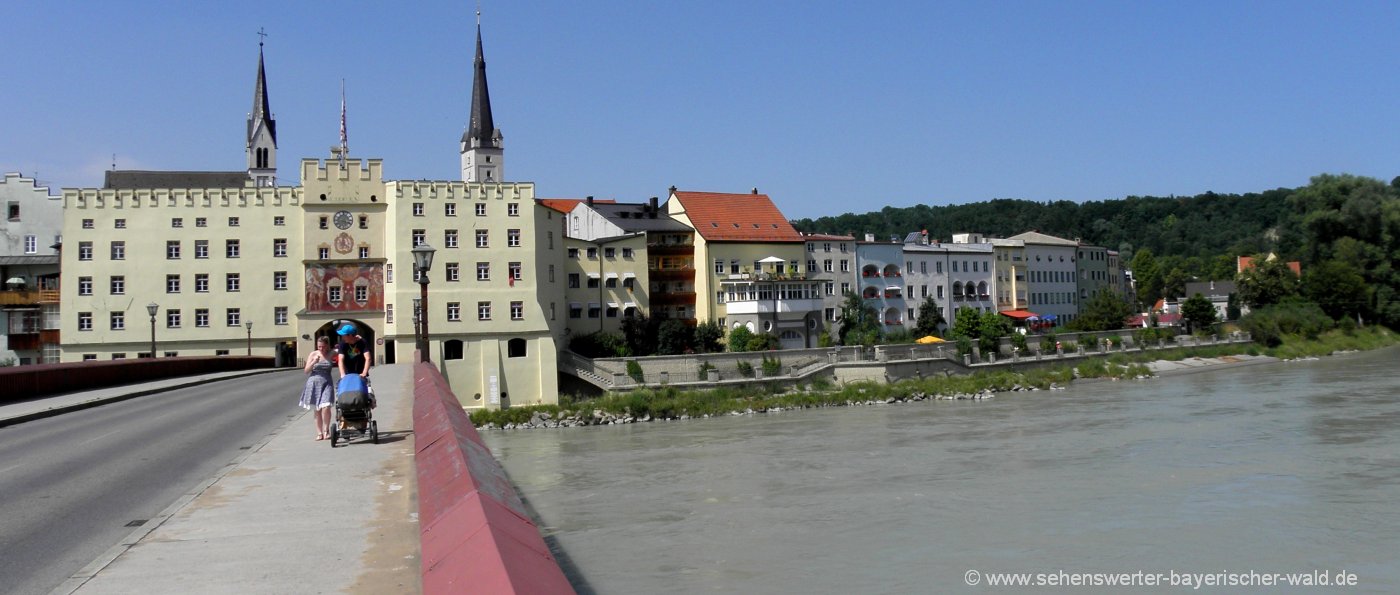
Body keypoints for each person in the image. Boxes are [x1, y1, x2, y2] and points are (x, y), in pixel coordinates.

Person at [299, 336, 335, 440]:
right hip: (313, 382)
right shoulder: (313, 354)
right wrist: (313, 362)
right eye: (319, 346)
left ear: (327, 345)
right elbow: (306, 371)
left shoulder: (331, 353)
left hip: (327, 382)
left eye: (323, 346)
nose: (321, 349)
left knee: (326, 407)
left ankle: (326, 430)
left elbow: (343, 348)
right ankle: (319, 433)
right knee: (317, 409)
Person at [335, 323, 375, 407]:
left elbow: (368, 358)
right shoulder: (343, 344)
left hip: (361, 374)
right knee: (341, 392)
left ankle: (371, 403)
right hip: (348, 375)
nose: (342, 337)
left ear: (350, 335)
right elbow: (340, 359)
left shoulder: (362, 342)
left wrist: (364, 373)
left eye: (343, 335)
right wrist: (342, 374)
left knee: (368, 393)